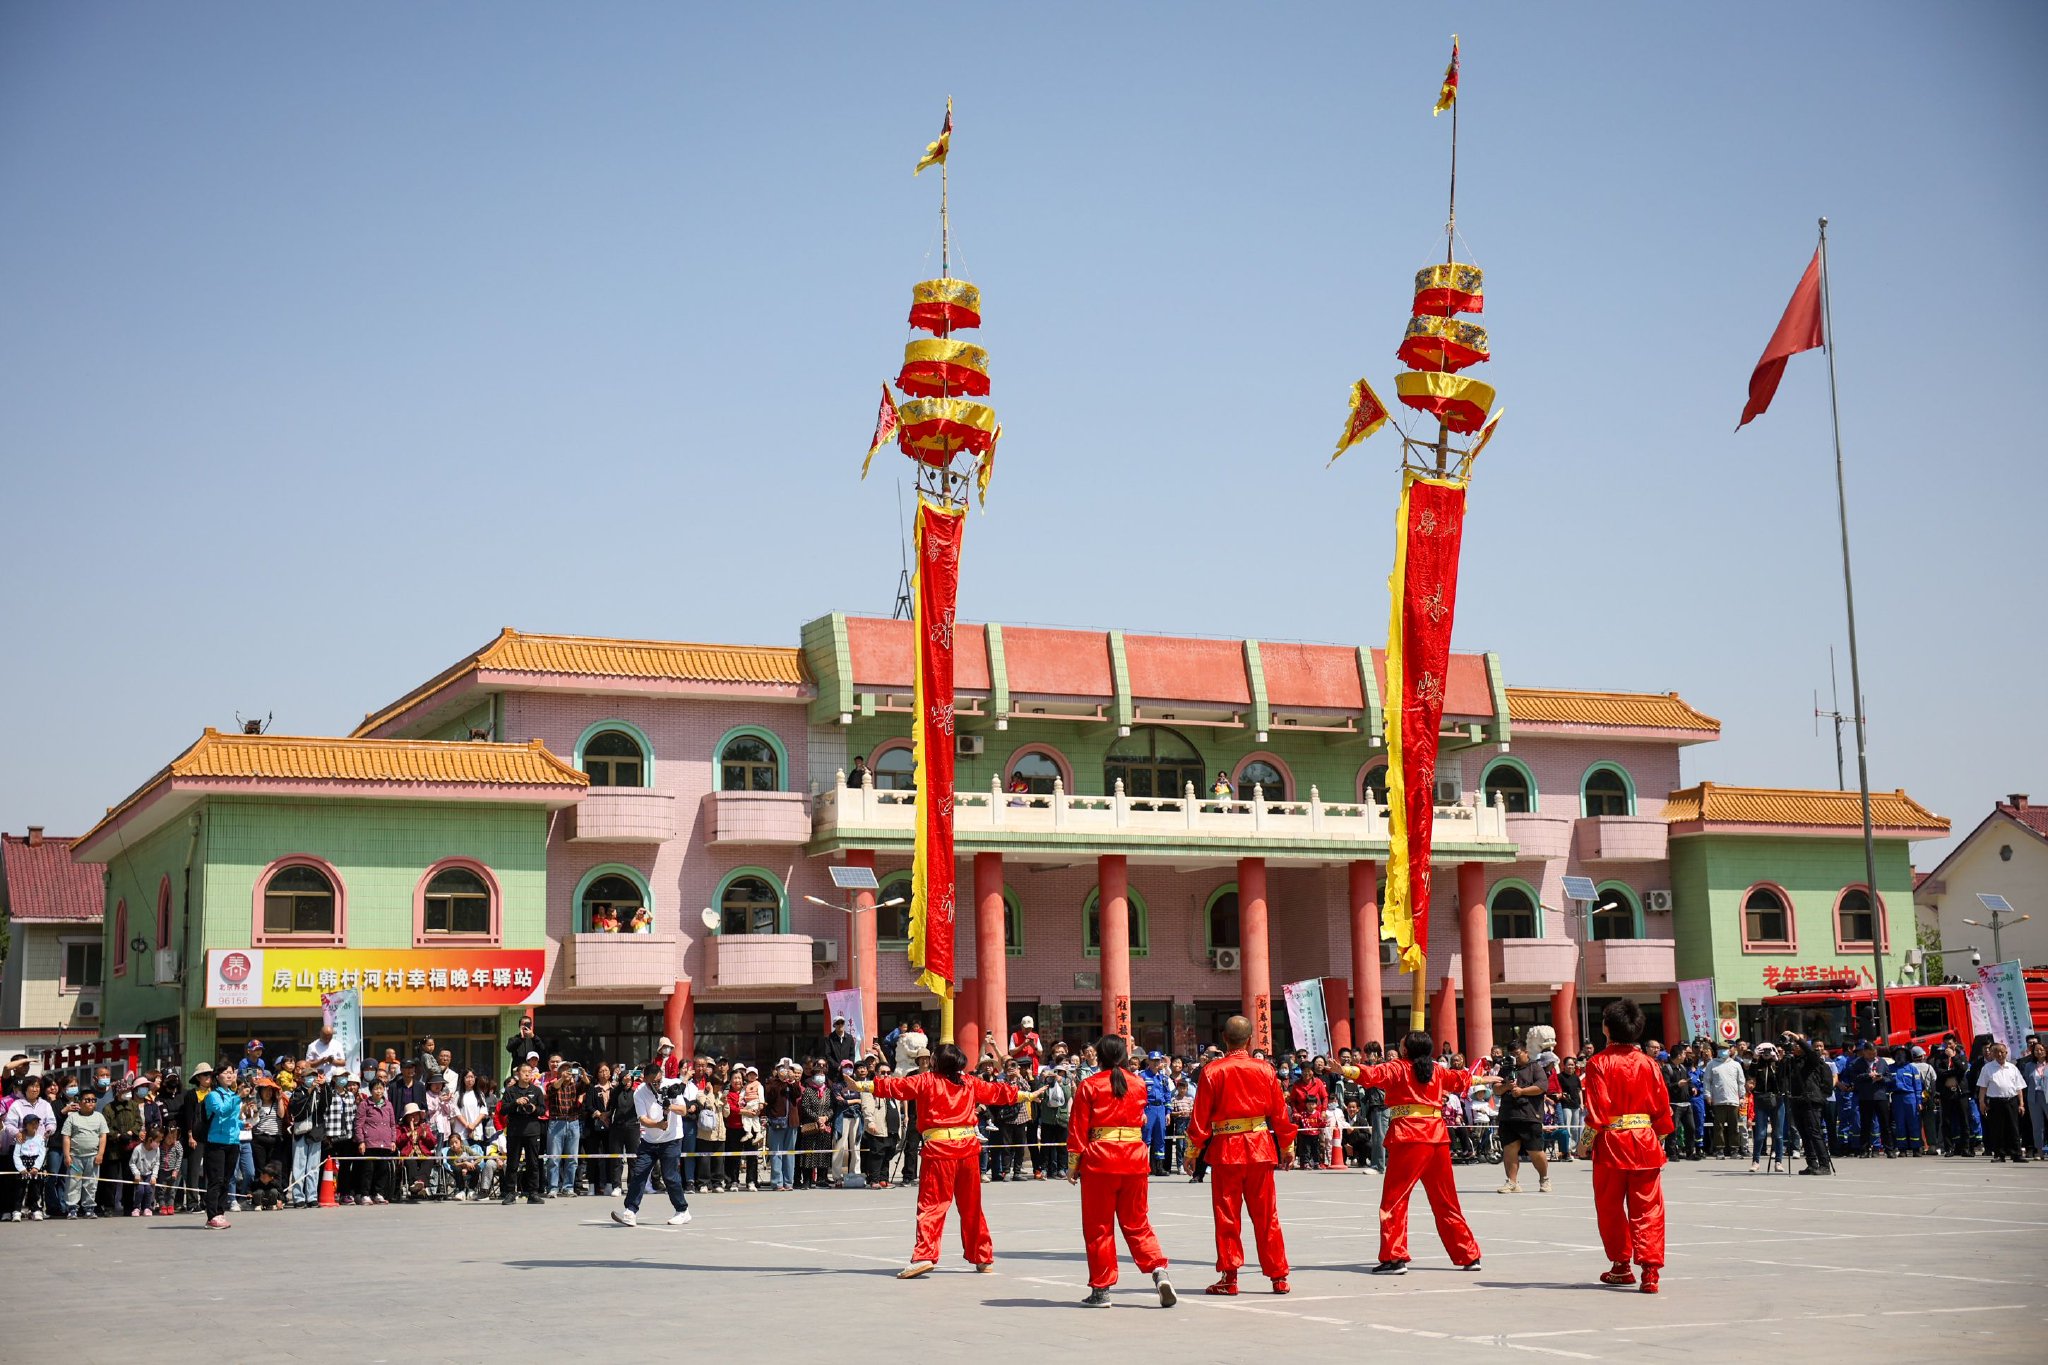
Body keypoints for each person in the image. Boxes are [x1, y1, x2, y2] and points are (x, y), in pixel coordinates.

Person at [865, 1041, 1018, 1279]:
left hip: (940, 1152)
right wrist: (1025, 1094)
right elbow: (998, 1093)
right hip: (968, 1150)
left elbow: (898, 1086)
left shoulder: (927, 1080)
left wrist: (867, 1085)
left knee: (932, 1205)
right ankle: (983, 1257)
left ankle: (925, 1255)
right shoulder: (969, 1082)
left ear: (936, 1061)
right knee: (971, 1206)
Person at [1348, 1031, 1482, 1276]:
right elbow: (1461, 1079)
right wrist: (1485, 1079)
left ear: (1407, 1050)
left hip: (1409, 1137)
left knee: (1394, 1200)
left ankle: (1394, 1257)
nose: (1398, 1048)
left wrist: (1345, 1070)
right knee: (1446, 1201)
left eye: (1400, 1044)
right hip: (1437, 1137)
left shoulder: (1398, 1068)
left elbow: (1371, 1075)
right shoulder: (1437, 1070)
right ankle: (1468, 1254)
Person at [1182, 1014, 1297, 1296]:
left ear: (1224, 1038)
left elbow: (1200, 1117)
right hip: (1259, 1146)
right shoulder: (1266, 1070)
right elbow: (1280, 1113)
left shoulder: (1212, 1071)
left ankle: (1229, 1278)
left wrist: (1192, 1150)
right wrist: (1287, 1146)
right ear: (1249, 1040)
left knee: (1227, 1216)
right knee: (1267, 1215)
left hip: (1226, 1149)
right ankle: (1279, 1276)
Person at [1067, 1036, 1175, 1309]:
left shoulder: (1090, 1084)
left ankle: (1101, 1290)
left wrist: (1073, 1165)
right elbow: (1141, 1117)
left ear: (1098, 1056)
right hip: (1135, 1158)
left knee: (1099, 1227)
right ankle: (1158, 1271)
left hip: (1100, 1159)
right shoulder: (1139, 1083)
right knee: (1138, 1222)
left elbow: (1079, 1126)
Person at [1582, 1000, 1673, 1293]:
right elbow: (1662, 1110)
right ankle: (1650, 1271)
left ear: (1607, 1028)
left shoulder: (1598, 1063)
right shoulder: (1650, 1064)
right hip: (1645, 1141)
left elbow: (1596, 1113)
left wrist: (1583, 1145)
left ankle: (1621, 1265)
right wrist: (1658, 1139)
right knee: (1648, 1208)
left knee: (1610, 1207)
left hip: (1612, 1142)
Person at [611, 1065, 695, 1227]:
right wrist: (658, 1125)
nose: (656, 1085)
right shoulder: (640, 1092)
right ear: (645, 1079)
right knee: (639, 1173)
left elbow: (684, 1110)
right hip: (649, 1140)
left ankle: (682, 1210)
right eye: (652, 1083)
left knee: (670, 1176)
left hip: (672, 1139)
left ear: (661, 1075)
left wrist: (669, 1107)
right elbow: (642, 1119)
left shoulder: (671, 1086)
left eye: (658, 1081)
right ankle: (630, 1211)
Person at [1495, 1042, 1551, 1194]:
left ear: (1526, 1052)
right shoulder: (1506, 1068)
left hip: (1530, 1115)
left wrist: (1522, 1091)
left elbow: (1541, 1087)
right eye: (1512, 1054)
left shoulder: (1535, 1067)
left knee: (1535, 1151)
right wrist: (1506, 1087)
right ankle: (1512, 1182)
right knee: (1509, 1149)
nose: (1515, 1057)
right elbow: (1496, 1089)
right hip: (1508, 1115)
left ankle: (1544, 1178)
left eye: (1517, 1053)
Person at [500, 1060, 548, 1203]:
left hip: (532, 1131)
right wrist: (516, 1102)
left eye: (529, 1072)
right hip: (515, 1132)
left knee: (533, 1163)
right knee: (512, 1163)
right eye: (524, 1072)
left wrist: (534, 1108)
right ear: (517, 1074)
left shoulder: (536, 1090)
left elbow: (542, 1110)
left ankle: (533, 1193)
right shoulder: (510, 1091)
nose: (527, 1074)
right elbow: (502, 1110)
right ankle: (510, 1193)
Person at [201, 1064, 242, 1228]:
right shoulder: (212, 1096)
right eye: (226, 1072)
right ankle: (211, 1215)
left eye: (231, 1073)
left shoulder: (232, 1094)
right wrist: (238, 1096)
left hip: (233, 1141)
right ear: (217, 1076)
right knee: (215, 1180)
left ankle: (220, 1212)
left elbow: (232, 1117)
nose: (230, 1075)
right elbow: (222, 1111)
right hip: (216, 1142)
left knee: (226, 1179)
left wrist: (241, 1124)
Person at [60, 1086, 110, 1219]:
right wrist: (67, 1155)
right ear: (80, 1101)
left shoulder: (99, 1117)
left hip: (93, 1157)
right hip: (75, 1157)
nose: (91, 1103)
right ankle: (72, 1209)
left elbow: (103, 1136)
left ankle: (89, 1208)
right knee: (73, 1183)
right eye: (87, 1100)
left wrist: (100, 1154)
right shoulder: (72, 1118)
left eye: (93, 1100)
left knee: (91, 1183)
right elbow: (66, 1137)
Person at [1976, 1042, 2030, 1163]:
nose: (2000, 1054)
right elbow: (1983, 1087)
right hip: (1995, 1102)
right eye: (1996, 1052)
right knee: (1997, 1129)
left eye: (2002, 1052)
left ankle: (2016, 1154)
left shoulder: (2012, 1068)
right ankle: (1999, 1154)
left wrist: (2021, 1104)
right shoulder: (1987, 1068)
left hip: (2011, 1101)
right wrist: (1982, 1102)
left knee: (2014, 1128)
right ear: (1993, 1054)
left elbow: (2019, 1087)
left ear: (2006, 1053)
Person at [544, 1061, 584, 1196]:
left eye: (569, 1070)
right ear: (559, 1072)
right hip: (556, 1123)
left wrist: (583, 1074)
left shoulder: (575, 1086)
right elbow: (552, 1090)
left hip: (573, 1122)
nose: (568, 1072)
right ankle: (553, 1188)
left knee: (572, 1158)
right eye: (564, 1070)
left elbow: (586, 1085)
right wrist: (562, 1078)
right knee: (554, 1158)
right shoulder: (553, 1083)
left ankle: (568, 1187)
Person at [1704, 1045, 1746, 1159]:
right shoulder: (1711, 1064)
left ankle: (1734, 1150)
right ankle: (1719, 1150)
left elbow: (1741, 1082)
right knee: (1719, 1127)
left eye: (1725, 1049)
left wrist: (1742, 1096)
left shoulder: (1735, 1064)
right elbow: (1707, 1081)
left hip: (1733, 1100)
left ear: (1730, 1050)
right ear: (1717, 1051)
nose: (1723, 1051)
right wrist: (1707, 1095)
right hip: (1718, 1100)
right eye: (1720, 1049)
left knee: (1734, 1126)